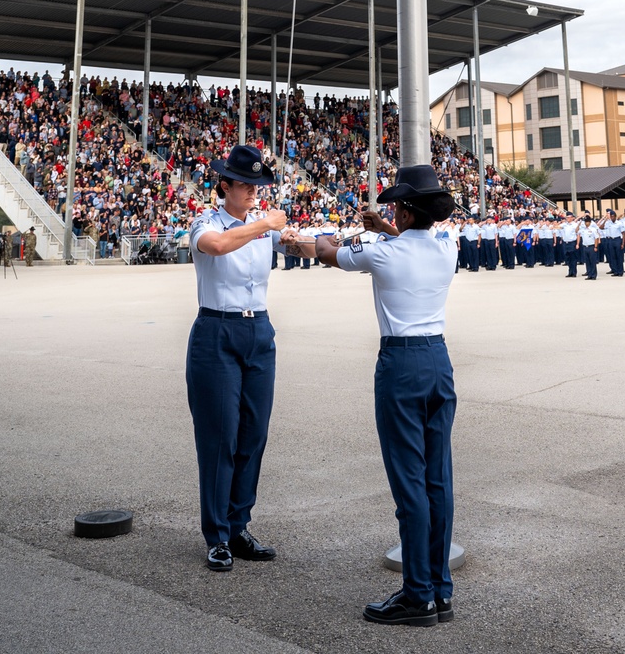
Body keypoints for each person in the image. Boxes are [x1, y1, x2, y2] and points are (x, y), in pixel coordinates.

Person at [314, 162, 458, 627]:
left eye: (395, 205)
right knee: (438, 479)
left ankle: (416, 596)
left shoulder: (382, 253)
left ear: (407, 212)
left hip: (401, 364)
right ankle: (439, 590)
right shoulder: (446, 245)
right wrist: (386, 231)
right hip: (439, 360)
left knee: (408, 483)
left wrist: (346, 236)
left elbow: (326, 252)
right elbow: (406, 244)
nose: (390, 210)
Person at [185, 144, 290, 571]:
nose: (252, 191)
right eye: (245, 184)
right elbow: (217, 246)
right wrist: (264, 224)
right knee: (221, 437)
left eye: (257, 185)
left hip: (258, 331)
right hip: (217, 330)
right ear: (224, 184)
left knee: (253, 435)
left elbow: (298, 246)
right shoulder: (206, 222)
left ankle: (238, 524)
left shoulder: (262, 225)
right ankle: (217, 535)